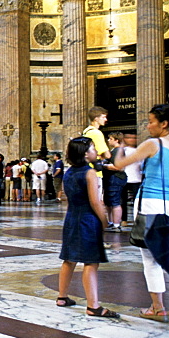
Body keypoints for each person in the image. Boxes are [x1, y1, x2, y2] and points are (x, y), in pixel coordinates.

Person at [110, 104, 169, 322]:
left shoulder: (153, 144)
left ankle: (157, 308)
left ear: (164, 123)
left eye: (150, 121)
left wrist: (120, 146)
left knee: (151, 259)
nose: (148, 126)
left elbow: (120, 164)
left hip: (149, 204)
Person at [55, 136, 119, 318]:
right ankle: (93, 306)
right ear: (84, 154)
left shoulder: (69, 173)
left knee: (69, 259)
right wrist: (104, 220)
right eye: (92, 148)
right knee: (91, 262)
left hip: (71, 218)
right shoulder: (89, 173)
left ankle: (62, 297)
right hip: (87, 220)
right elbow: (95, 201)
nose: (96, 152)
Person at [103, 132, 127, 231]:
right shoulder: (113, 151)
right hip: (110, 178)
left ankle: (117, 224)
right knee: (109, 202)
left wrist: (104, 165)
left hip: (116, 178)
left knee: (115, 202)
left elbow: (119, 167)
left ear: (116, 140)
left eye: (111, 139)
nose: (108, 140)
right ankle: (111, 222)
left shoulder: (119, 151)